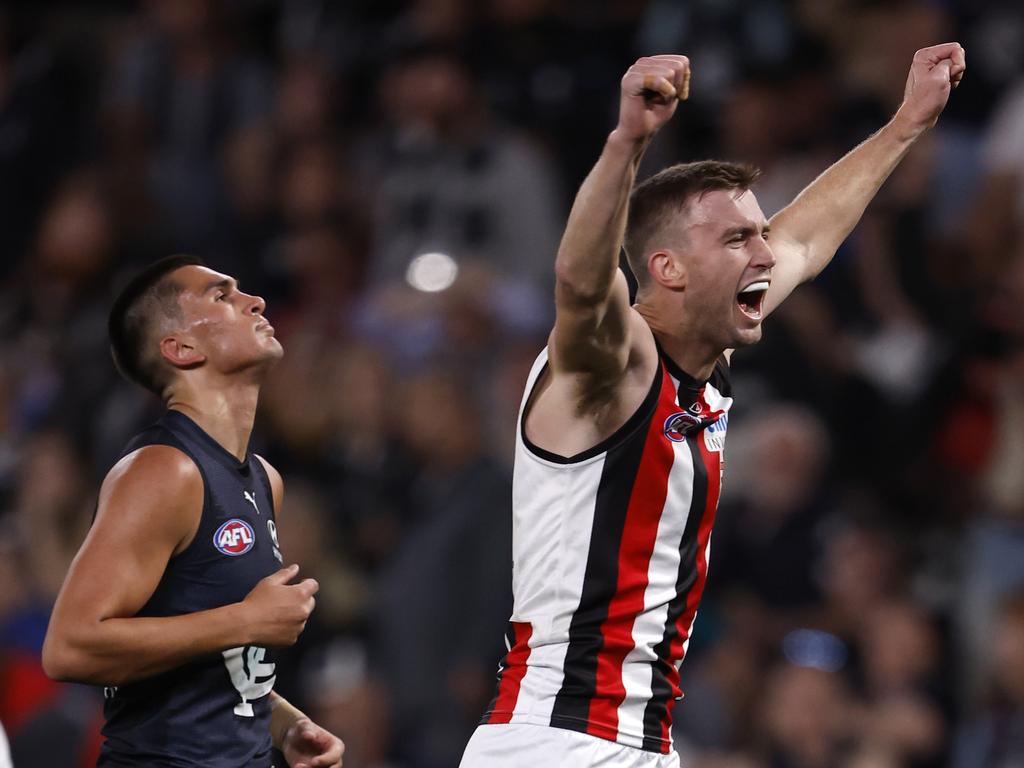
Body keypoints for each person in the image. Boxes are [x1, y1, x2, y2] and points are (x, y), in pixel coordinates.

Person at [460, 44, 965, 767]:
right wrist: (628, 142)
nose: (764, 253)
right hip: (557, 742)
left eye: (757, 234)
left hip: (633, 742)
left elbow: (806, 240)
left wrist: (906, 124)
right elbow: (578, 280)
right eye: (737, 238)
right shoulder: (613, 364)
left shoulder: (704, 364)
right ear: (665, 268)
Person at [42, 255, 345, 768]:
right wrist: (246, 619)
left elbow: (207, 659)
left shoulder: (264, 479)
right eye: (222, 297)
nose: (255, 301)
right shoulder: (163, 471)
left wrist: (284, 723)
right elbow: (70, 646)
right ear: (180, 349)